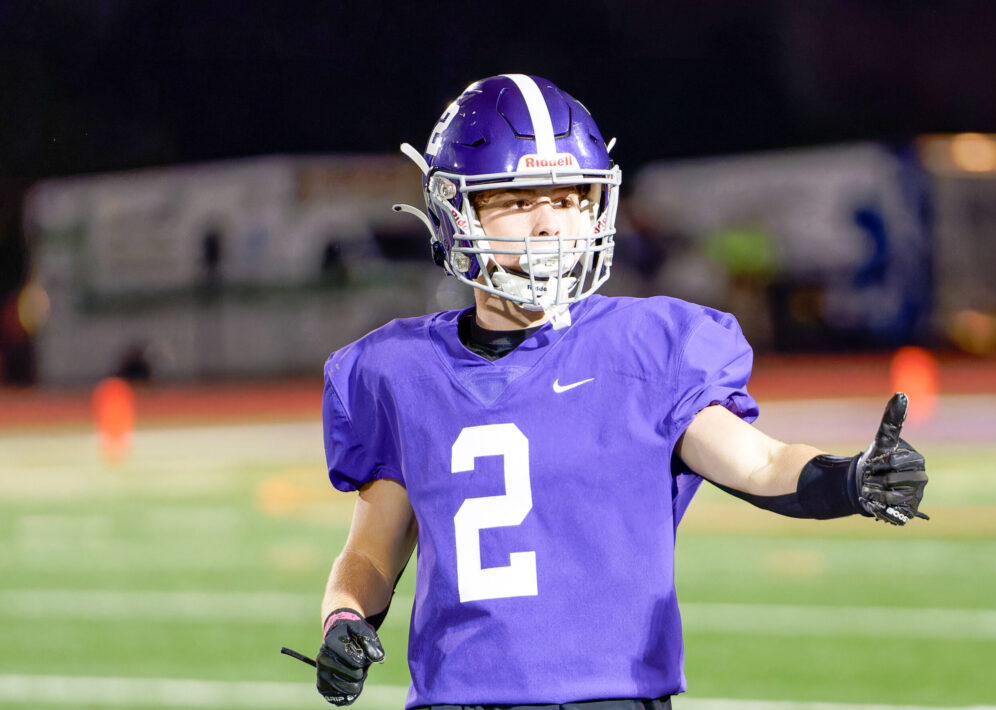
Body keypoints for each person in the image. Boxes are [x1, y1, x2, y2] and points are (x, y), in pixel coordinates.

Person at [313, 74, 928, 709]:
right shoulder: (395, 369)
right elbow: (370, 550)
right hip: (457, 699)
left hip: (612, 698)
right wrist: (344, 617)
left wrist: (852, 477)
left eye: (569, 198)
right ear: (454, 210)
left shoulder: (650, 347)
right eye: (520, 201)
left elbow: (761, 462)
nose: (551, 224)